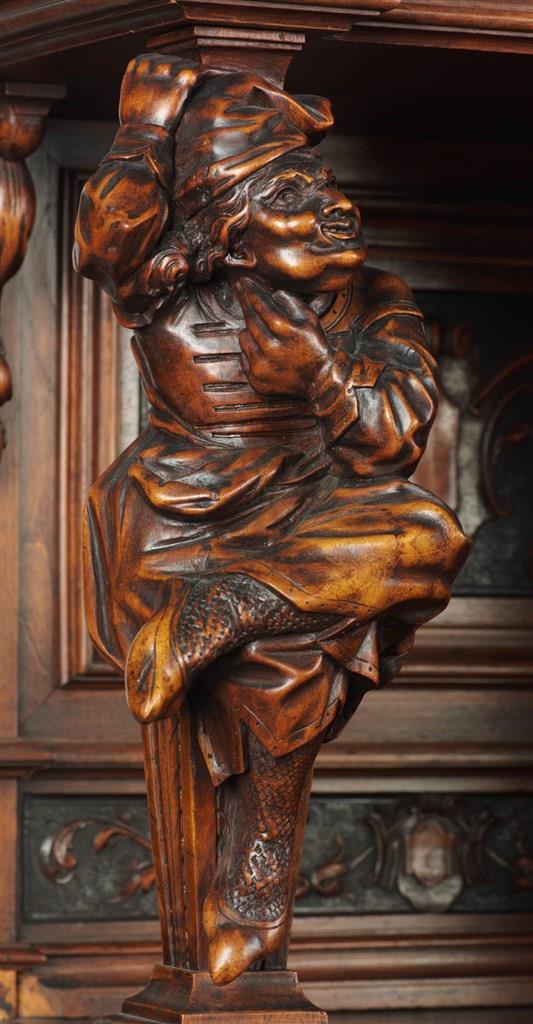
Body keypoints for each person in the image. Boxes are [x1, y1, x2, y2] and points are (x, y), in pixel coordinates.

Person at [74, 54, 470, 984]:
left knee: (426, 534)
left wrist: (320, 376)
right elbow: (105, 238)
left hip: (314, 526)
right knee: (293, 652)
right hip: (175, 527)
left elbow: (391, 437)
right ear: (232, 229)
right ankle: (251, 903)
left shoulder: (376, 300)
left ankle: (237, 608)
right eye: (292, 194)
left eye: (326, 186)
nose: (334, 206)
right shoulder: (170, 286)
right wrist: (143, 127)